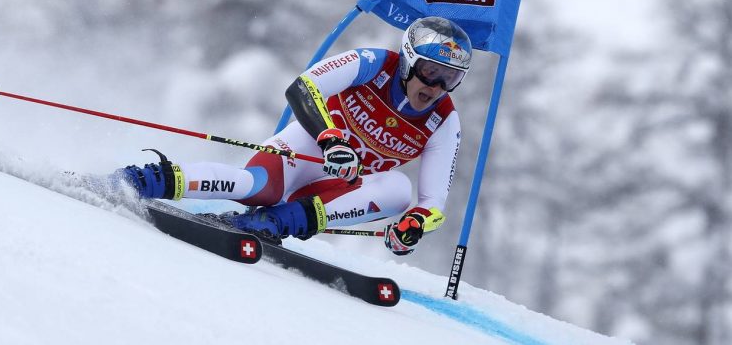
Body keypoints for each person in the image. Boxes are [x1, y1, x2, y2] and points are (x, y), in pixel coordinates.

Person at [119, 16, 472, 255]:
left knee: (399, 190)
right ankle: (144, 180)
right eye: (430, 72)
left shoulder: (443, 121)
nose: (437, 86)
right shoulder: (374, 63)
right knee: (258, 187)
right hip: (306, 150)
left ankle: (271, 222)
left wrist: (414, 226)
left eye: (450, 78)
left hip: (334, 186)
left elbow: (432, 202)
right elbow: (303, 87)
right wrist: (331, 138)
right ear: (410, 61)